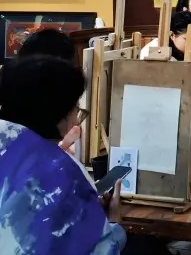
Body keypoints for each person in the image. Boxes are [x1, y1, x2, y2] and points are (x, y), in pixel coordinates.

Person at [0, 55, 126, 254]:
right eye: (76, 109)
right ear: (58, 115)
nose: (77, 118)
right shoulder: (63, 172)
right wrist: (113, 224)